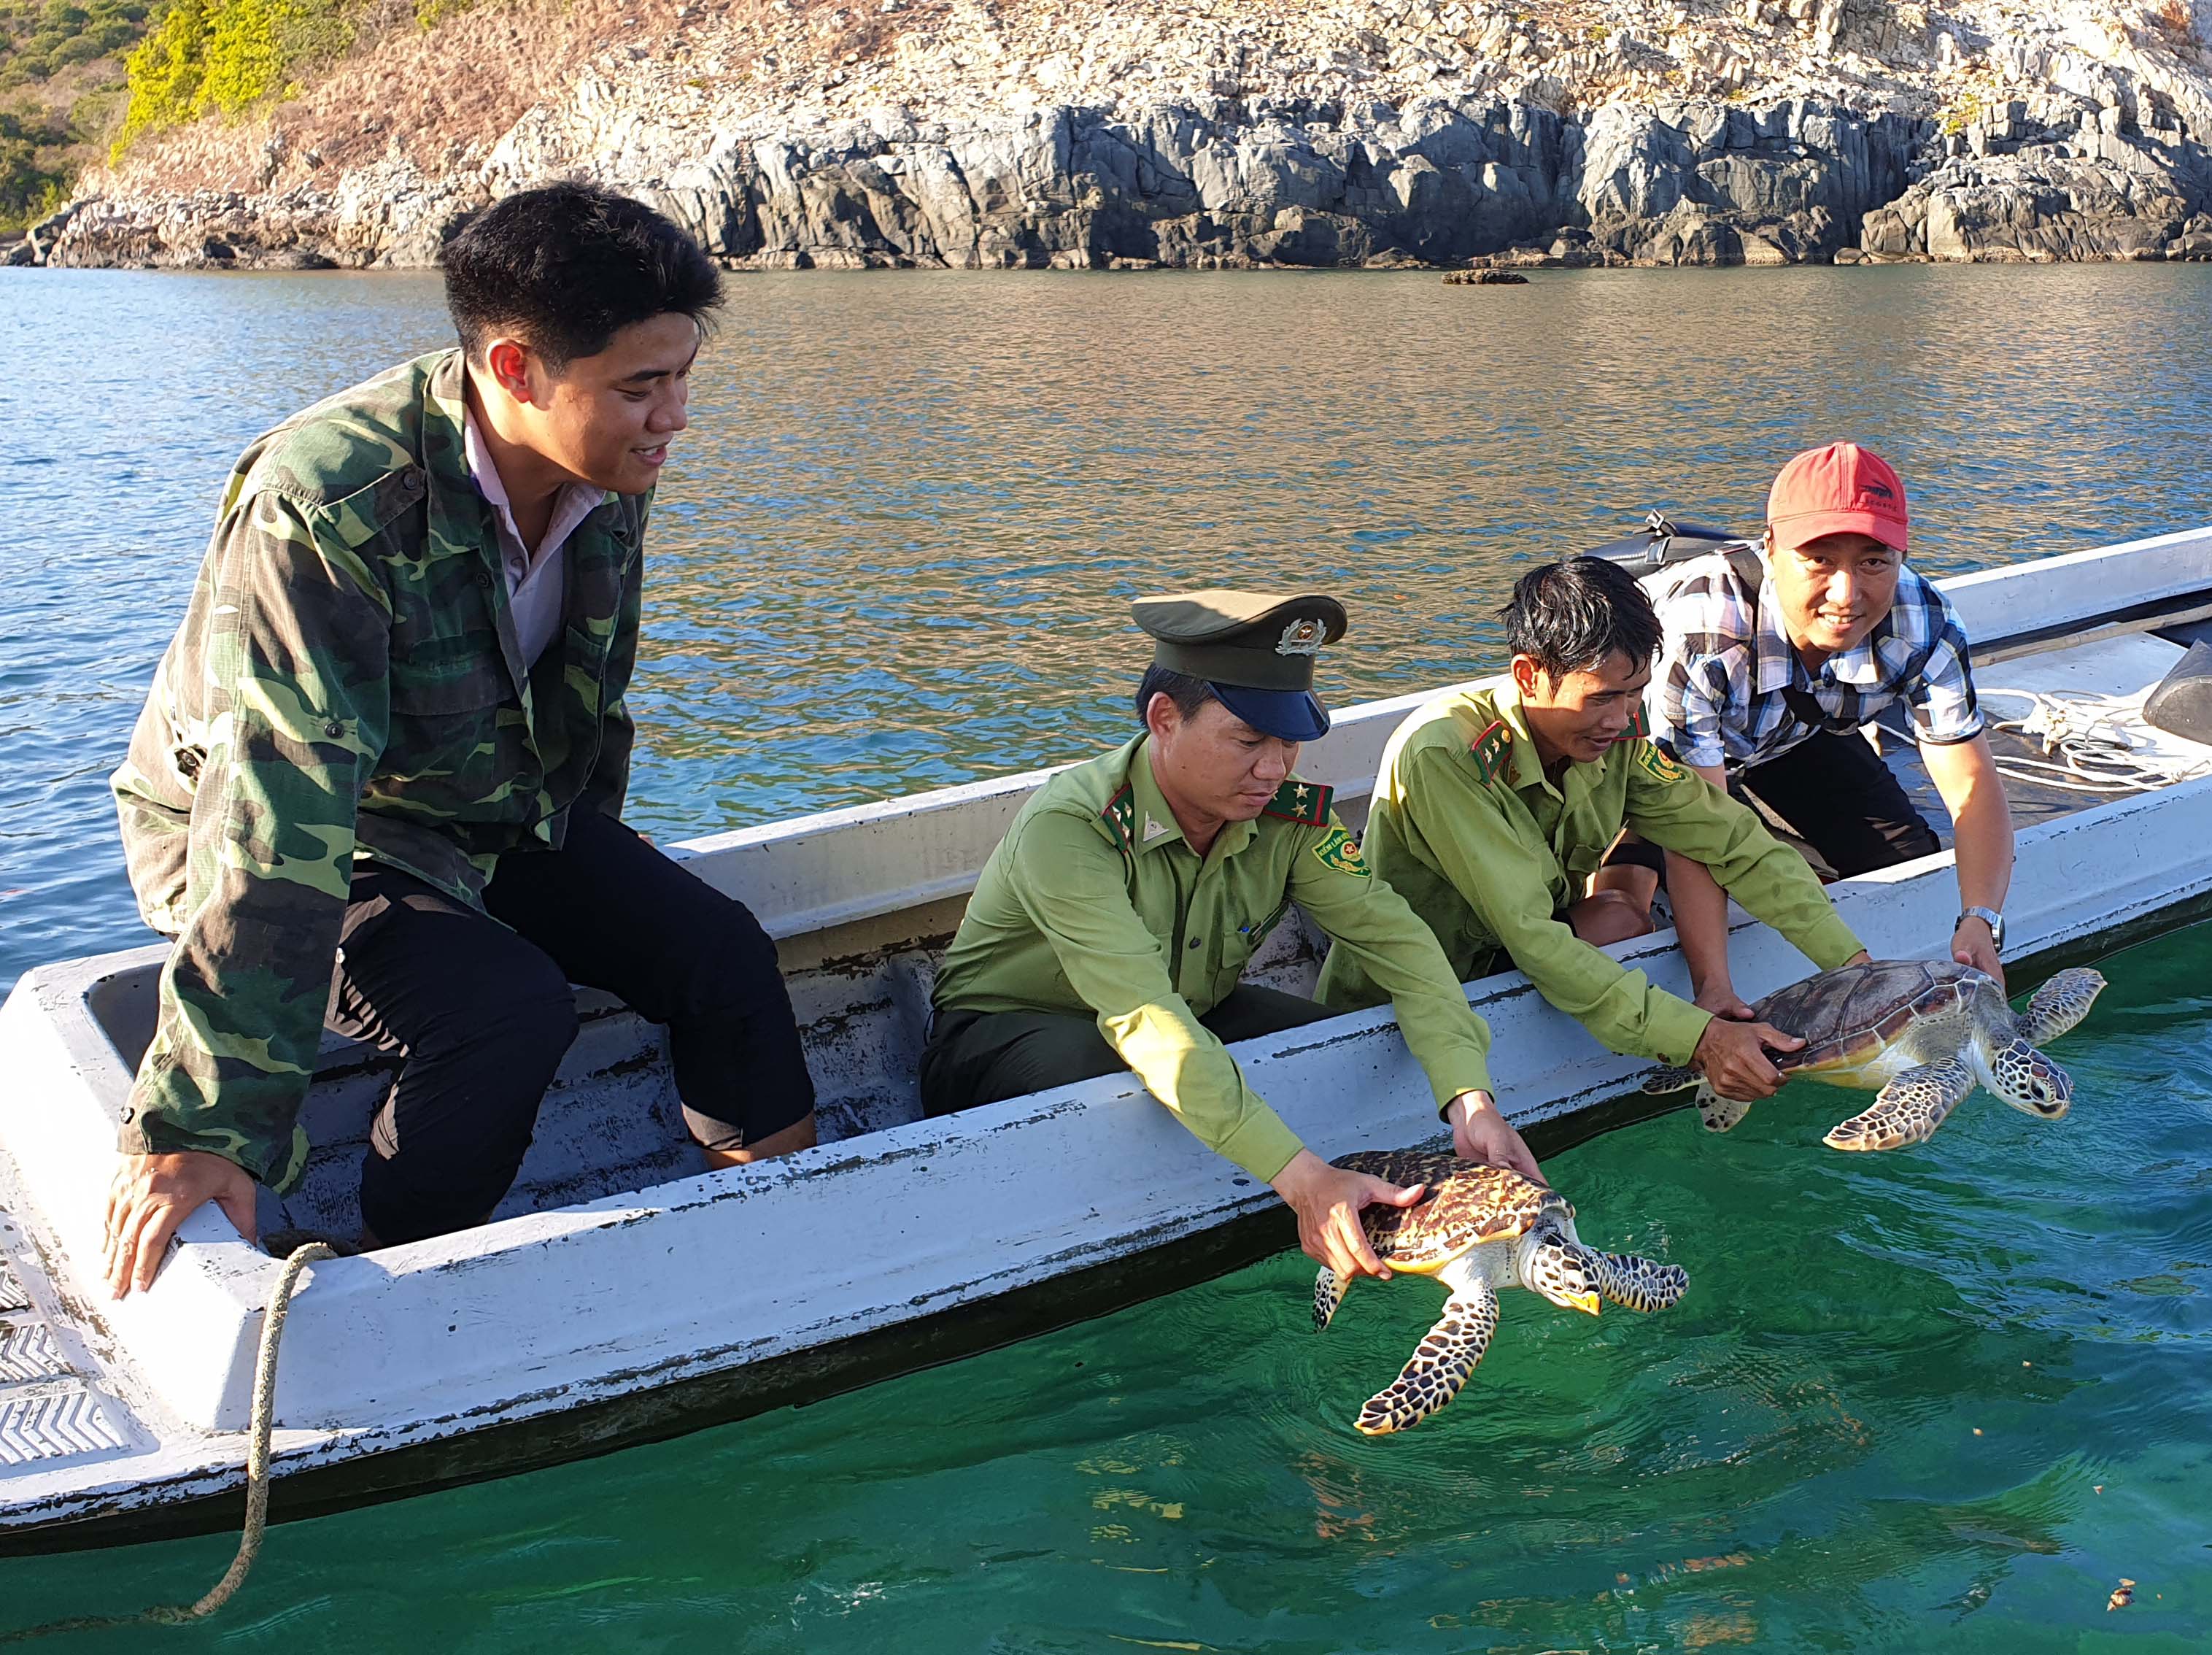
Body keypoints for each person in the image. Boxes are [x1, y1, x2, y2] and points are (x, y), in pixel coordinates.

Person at [100, 182, 819, 1296]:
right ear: (516, 370)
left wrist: (602, 893)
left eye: (682, 377)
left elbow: (590, 713)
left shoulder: (607, 467)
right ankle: (397, 1288)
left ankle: (791, 1239)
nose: (674, 416)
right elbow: (276, 809)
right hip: (291, 832)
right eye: (642, 386)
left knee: (717, 948)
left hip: (485, 805)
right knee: (503, 1008)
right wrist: (206, 1124)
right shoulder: (328, 505)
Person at [921, 590, 1541, 1286]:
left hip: (1196, 1012)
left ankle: (1322, 1212)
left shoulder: (1287, 814)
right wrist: (1301, 1178)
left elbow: (1400, 944)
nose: (1275, 768)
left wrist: (1471, 1098)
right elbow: (1146, 1020)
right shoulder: (1074, 828)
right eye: (1249, 741)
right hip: (1010, 1035)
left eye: (1288, 741)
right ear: (1164, 720)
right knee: (1119, 1085)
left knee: (1347, 1050)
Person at [1320, 557, 1871, 1108]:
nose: (1622, 717)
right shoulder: (1446, 753)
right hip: (1408, 995)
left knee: (1622, 917)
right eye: (1602, 698)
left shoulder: (1615, 738)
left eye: (1635, 693)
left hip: (1514, 960)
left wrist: (1854, 967)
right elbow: (1532, 936)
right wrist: (1700, 1039)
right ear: (1527, 675)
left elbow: (1733, 841)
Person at [1642, 441, 2016, 1013]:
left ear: (1902, 555)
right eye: (1819, 559)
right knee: (1641, 897)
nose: (1847, 594)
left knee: (1905, 868)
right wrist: (1713, 987)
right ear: (1770, 549)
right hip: (1652, 754)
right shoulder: (1702, 631)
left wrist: (1980, 918)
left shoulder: (1927, 623)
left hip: (1785, 738)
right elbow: (1697, 830)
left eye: (1873, 562)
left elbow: (1971, 788)